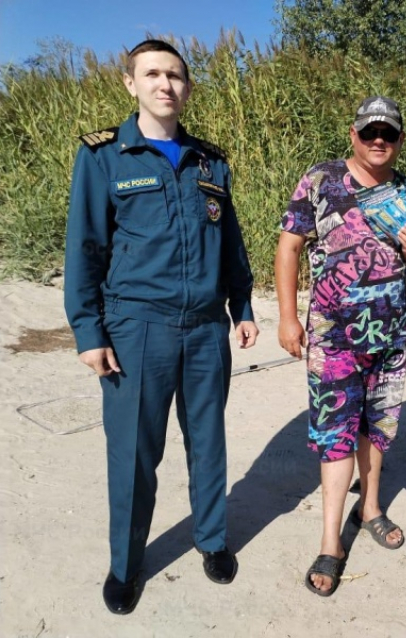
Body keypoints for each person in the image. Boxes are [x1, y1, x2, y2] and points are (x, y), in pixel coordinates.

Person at [63, 39, 258, 615]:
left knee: (208, 442)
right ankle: (126, 565)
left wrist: (242, 307)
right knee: (133, 454)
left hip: (203, 330)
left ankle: (213, 540)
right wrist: (88, 332)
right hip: (136, 328)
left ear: (187, 87)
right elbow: (86, 249)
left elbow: (231, 243)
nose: (165, 84)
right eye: (153, 74)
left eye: (175, 75)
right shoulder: (103, 157)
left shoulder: (209, 161)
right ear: (131, 83)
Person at [275, 96, 406, 597]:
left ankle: (372, 506)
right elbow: (289, 245)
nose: (378, 140)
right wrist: (289, 317)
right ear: (353, 135)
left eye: (388, 133)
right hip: (333, 337)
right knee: (336, 430)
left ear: (400, 140)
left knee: (377, 426)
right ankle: (330, 542)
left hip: (391, 335)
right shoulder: (321, 180)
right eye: (369, 132)